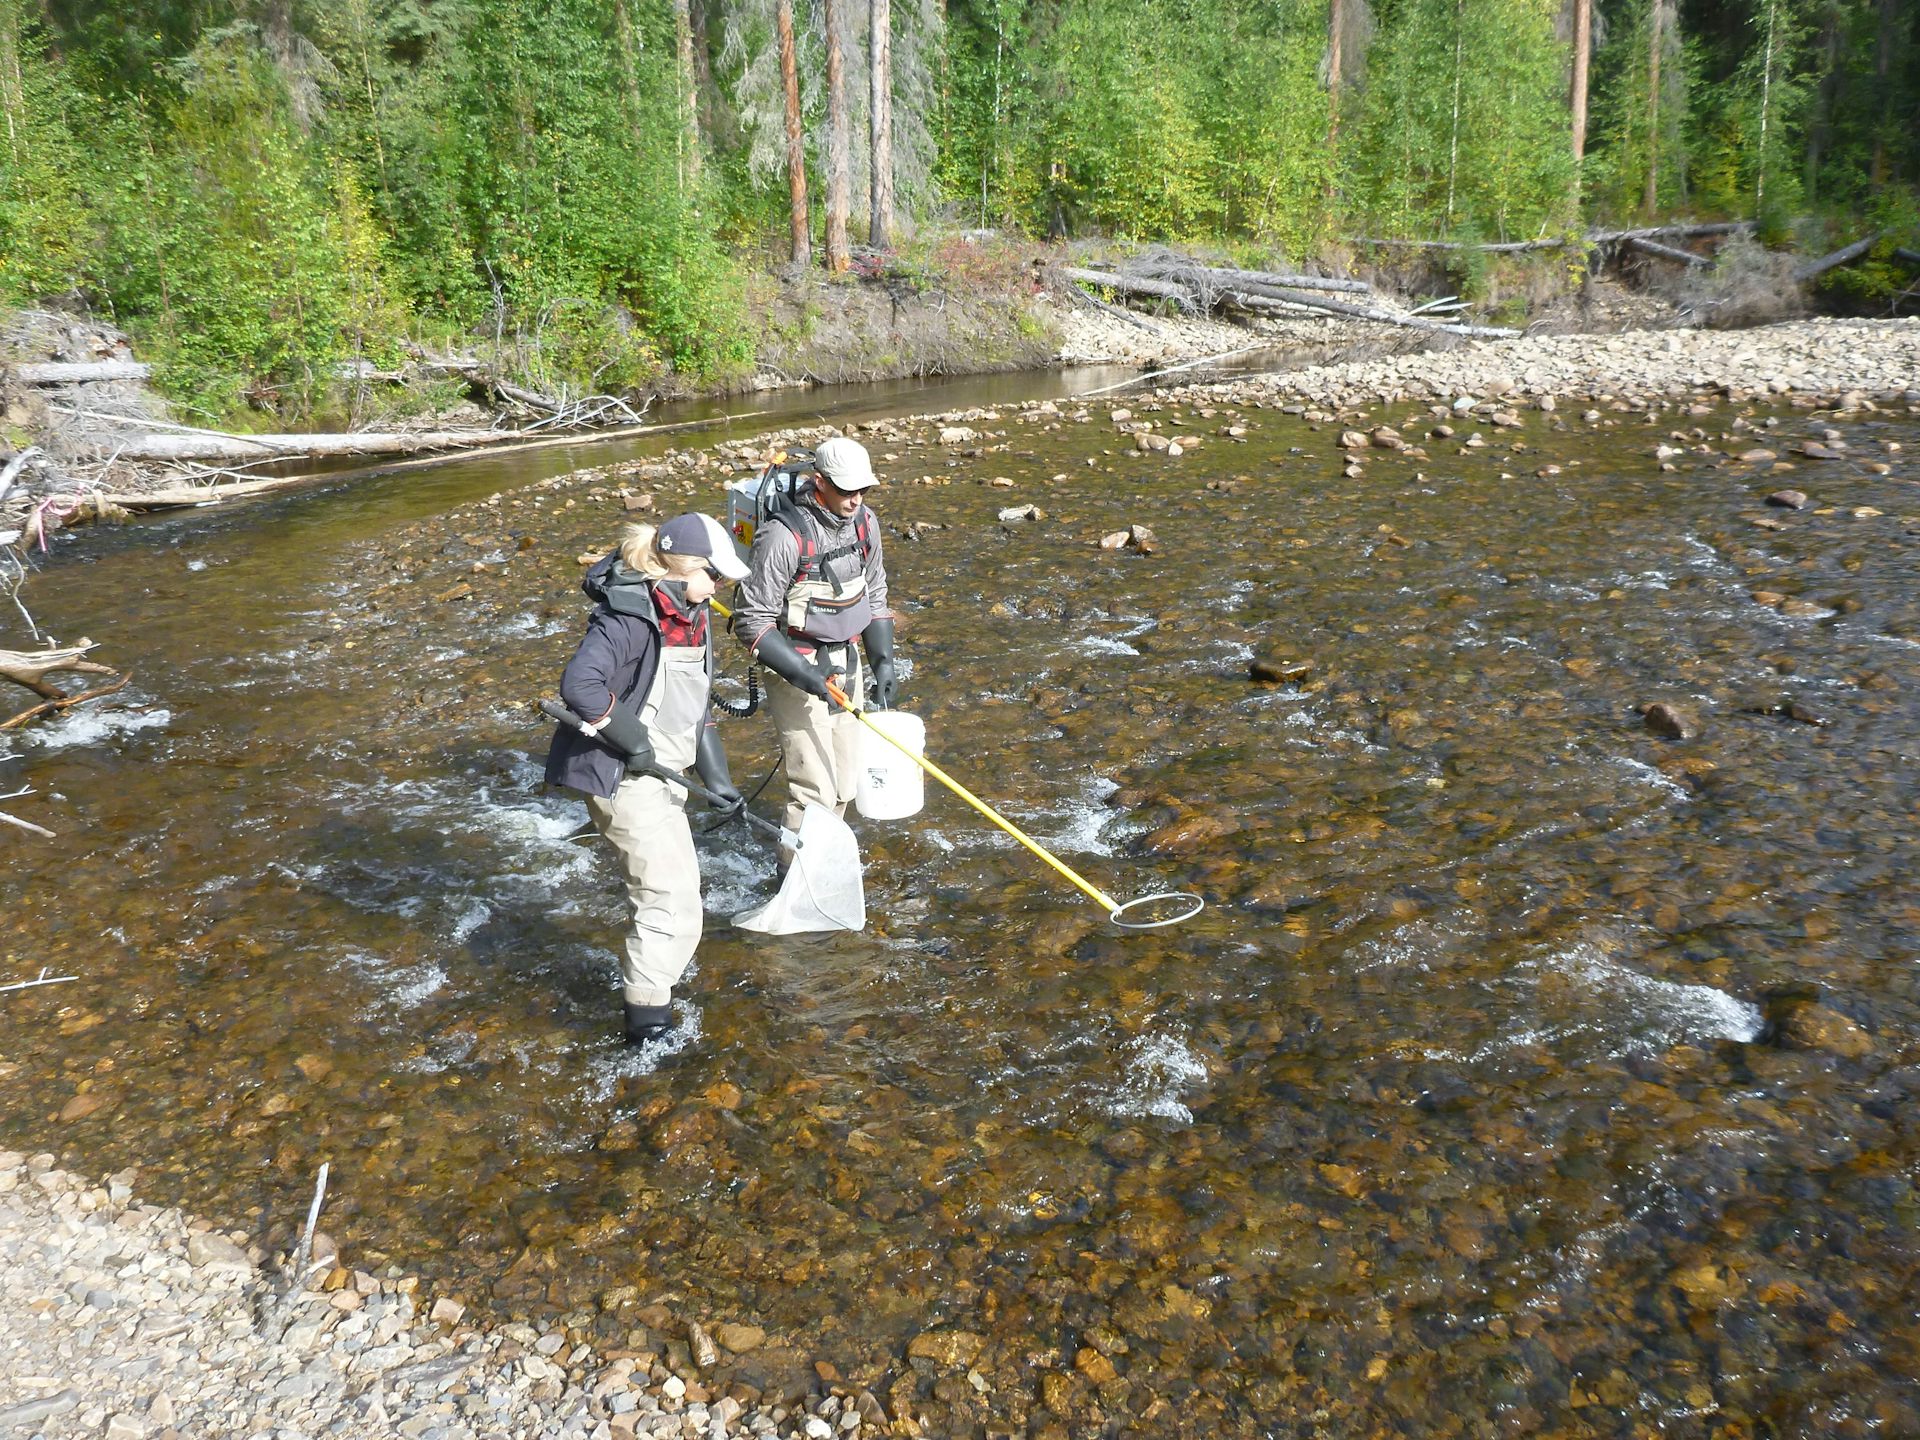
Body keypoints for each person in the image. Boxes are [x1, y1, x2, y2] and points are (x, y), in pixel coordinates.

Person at [544, 513, 748, 1044]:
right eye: (715, 575)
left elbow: (695, 704)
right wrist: (632, 741)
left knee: (678, 899)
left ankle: (651, 1000)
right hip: (625, 777)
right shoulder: (629, 619)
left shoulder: (691, 610)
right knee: (671, 904)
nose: (720, 586)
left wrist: (718, 779)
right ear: (683, 568)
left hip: (666, 775)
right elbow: (580, 686)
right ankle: (646, 1033)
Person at [731, 436, 898, 865]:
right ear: (819, 481)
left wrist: (884, 663)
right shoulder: (782, 537)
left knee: (845, 782)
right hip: (796, 665)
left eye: (863, 490)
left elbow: (875, 591)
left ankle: (825, 864)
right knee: (813, 790)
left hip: (847, 660)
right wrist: (807, 679)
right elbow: (752, 621)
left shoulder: (866, 523)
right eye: (846, 490)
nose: (855, 499)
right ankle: (794, 879)